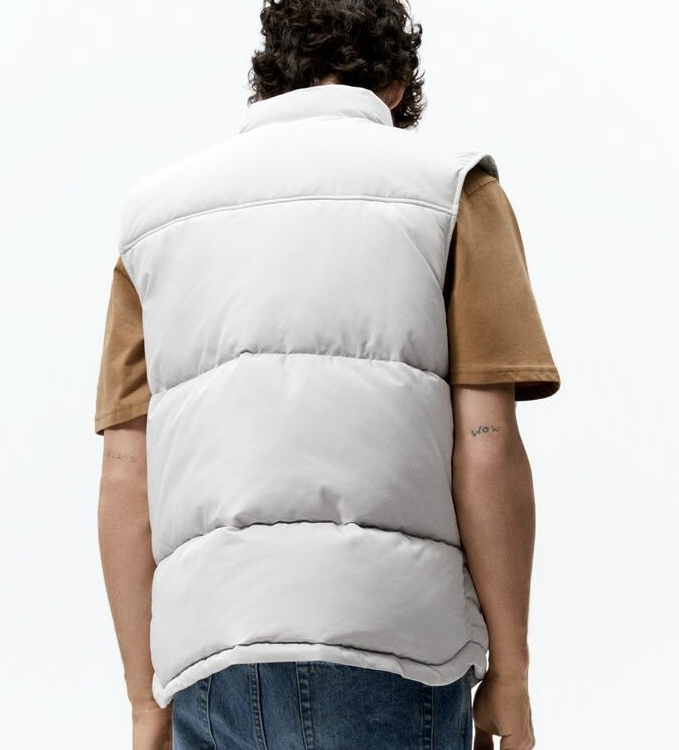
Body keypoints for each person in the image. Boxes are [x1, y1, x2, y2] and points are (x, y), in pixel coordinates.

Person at [94, 2, 560, 749]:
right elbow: (487, 444)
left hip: (210, 656)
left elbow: (126, 473)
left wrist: (142, 699)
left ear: (269, 78)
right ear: (397, 86)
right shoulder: (452, 192)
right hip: (390, 646)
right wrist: (513, 669)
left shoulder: (153, 221)